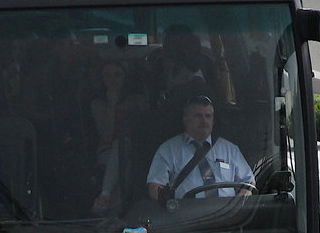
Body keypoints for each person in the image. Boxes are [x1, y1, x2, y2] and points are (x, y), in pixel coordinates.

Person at [146, 95, 254, 202]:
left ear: (213, 120)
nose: (204, 121)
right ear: (185, 119)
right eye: (198, 116)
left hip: (226, 214)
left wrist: (238, 205)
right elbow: (155, 186)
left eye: (208, 116)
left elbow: (248, 182)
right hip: (186, 215)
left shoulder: (230, 150)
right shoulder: (168, 150)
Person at [90, 61, 146, 215]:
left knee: (126, 155)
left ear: (126, 77)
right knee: (121, 152)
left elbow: (147, 129)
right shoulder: (98, 103)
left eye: (117, 75)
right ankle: (115, 209)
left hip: (136, 151)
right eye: (107, 75)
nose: (112, 80)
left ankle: (105, 199)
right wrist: (112, 104)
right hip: (107, 152)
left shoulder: (137, 100)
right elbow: (106, 135)